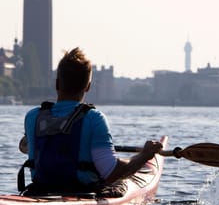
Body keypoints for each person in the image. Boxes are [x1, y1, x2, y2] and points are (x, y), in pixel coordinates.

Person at [18, 47, 163, 195]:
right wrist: (144, 155)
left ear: (56, 84)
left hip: (39, 192)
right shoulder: (93, 118)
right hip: (81, 193)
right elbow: (111, 173)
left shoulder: (33, 116)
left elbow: (30, 145)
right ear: (88, 87)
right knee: (119, 182)